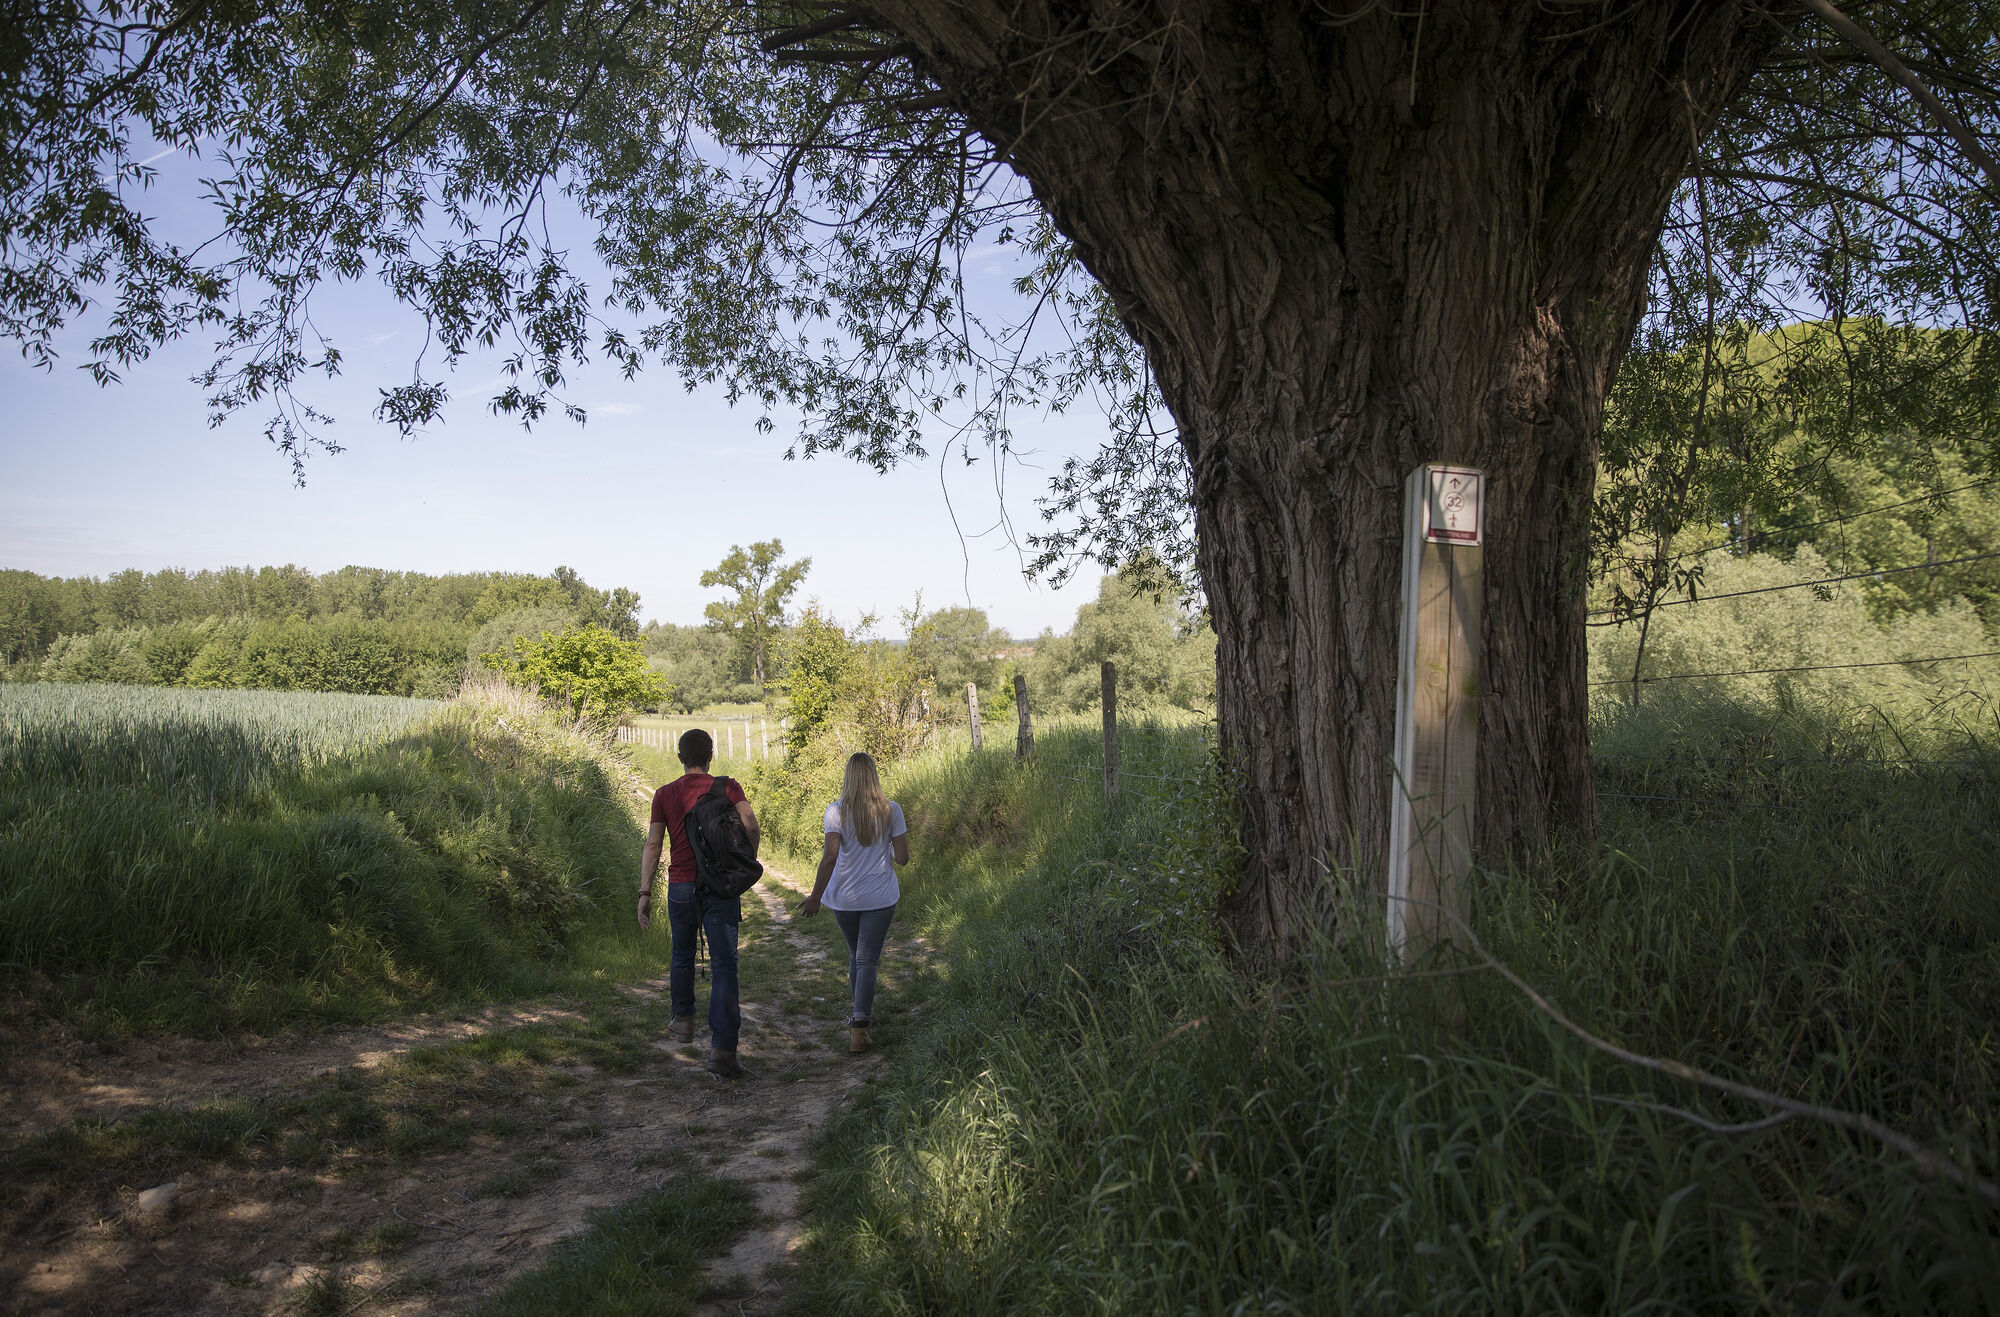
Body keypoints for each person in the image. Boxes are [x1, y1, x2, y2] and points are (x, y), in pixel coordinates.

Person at [637, 729, 760, 1079]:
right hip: (720, 885)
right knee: (724, 965)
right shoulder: (728, 786)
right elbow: (750, 824)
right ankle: (722, 1051)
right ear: (711, 755)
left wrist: (644, 893)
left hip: (680, 886)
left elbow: (653, 845)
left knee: (681, 955)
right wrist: (743, 863)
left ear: (679, 757)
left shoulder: (664, 794)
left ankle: (685, 1021)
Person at [798, 751, 909, 1053]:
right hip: (880, 898)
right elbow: (903, 858)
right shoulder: (892, 810)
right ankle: (859, 1026)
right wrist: (884, 850)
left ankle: (860, 1016)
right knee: (866, 959)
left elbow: (830, 857)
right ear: (874, 775)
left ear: (848, 776)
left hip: (844, 900)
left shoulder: (835, 811)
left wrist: (815, 897)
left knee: (856, 956)